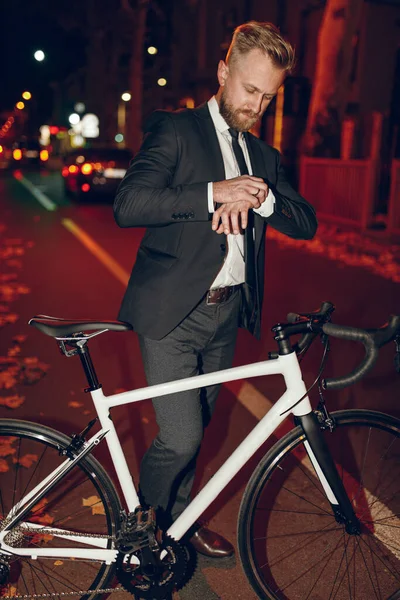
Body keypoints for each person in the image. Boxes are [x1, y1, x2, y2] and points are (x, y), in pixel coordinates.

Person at [114, 21, 317, 558]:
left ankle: (176, 521)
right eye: (250, 90)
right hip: (172, 315)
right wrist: (212, 192)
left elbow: (305, 221)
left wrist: (261, 198)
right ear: (224, 72)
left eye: (268, 97)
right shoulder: (176, 132)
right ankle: (141, 539)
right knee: (180, 435)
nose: (256, 107)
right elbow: (129, 204)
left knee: (198, 429)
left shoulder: (263, 157)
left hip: (225, 317)